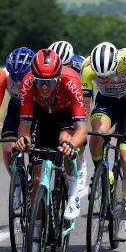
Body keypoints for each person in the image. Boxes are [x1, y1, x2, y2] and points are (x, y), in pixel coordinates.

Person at [80, 26, 126, 241]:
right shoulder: (88, 69)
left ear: (117, 64)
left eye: (109, 74)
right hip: (107, 103)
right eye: (102, 77)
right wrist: (80, 129)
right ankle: (103, 172)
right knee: (97, 133)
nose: (106, 79)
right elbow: (84, 105)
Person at [15, 49, 88, 222]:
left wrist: (72, 145)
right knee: (38, 178)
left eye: (49, 82)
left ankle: (72, 194)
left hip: (66, 114)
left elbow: (82, 131)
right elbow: (25, 126)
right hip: (44, 115)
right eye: (40, 82)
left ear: (59, 76)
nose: (44, 87)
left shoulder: (71, 80)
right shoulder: (28, 82)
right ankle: (36, 235)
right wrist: (23, 139)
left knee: (65, 141)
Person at [0, 47, 35, 171]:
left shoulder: (38, 76)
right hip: (16, 109)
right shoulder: (3, 76)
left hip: (36, 111)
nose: (18, 82)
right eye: (14, 77)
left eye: (22, 77)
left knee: (34, 151)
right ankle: (17, 185)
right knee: (7, 149)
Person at [49, 40, 88, 191]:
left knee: (78, 129)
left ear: (71, 62)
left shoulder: (81, 66)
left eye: (66, 65)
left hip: (76, 97)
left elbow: (83, 101)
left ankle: (81, 159)